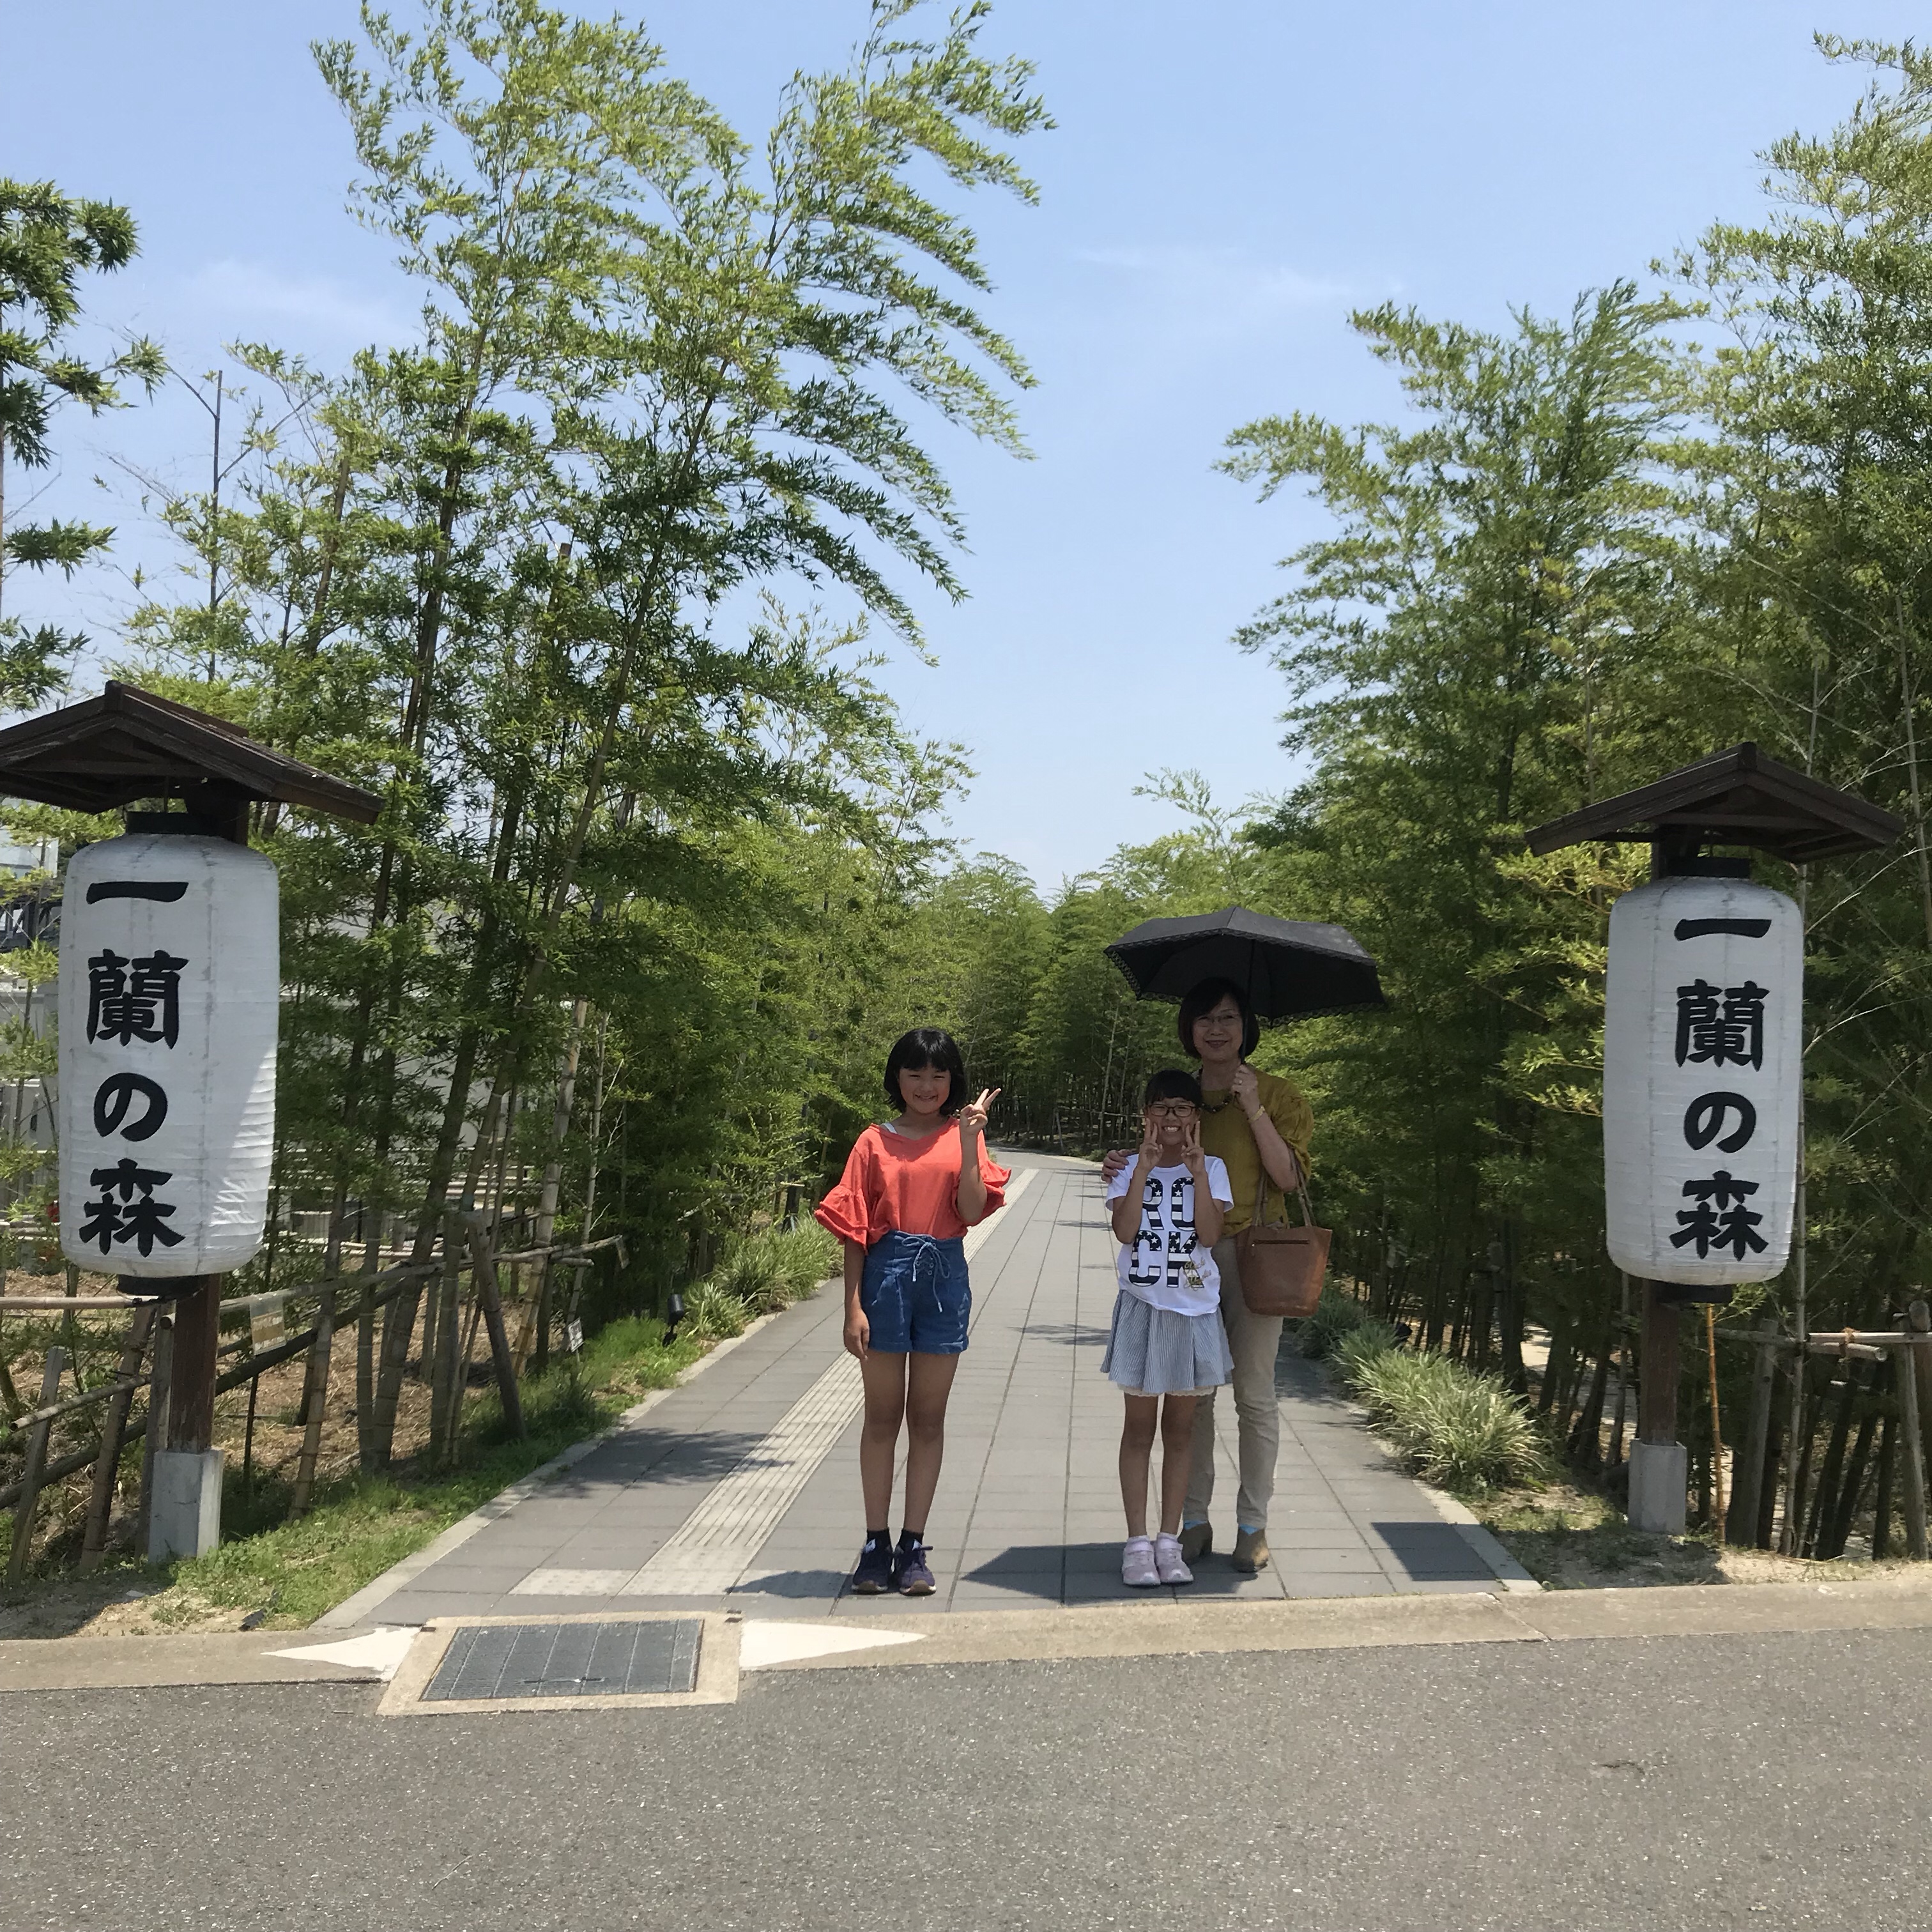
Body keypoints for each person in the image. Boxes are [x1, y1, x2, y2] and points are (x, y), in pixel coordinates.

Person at [1101, 977, 1312, 1575]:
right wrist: (1120, 1161)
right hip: (1186, 1262)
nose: (1217, 1030)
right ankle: (1190, 1522)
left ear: (1247, 1027)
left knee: (1255, 1394)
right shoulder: (1182, 1095)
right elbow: (1154, 1158)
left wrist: (1253, 1106)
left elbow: (1289, 1177)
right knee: (1191, 1397)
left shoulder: (1278, 1093)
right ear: (1189, 1030)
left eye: (1228, 1018)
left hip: (1253, 1253)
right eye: (1204, 1019)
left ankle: (1253, 1524)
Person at [815, 1027, 1006, 1596]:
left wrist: (970, 1144)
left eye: (939, 1075)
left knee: (928, 1419)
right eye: (915, 1073)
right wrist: (852, 1306)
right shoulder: (872, 1141)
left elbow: (971, 1210)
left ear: (954, 1080)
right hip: (886, 1274)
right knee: (881, 1417)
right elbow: (855, 1230)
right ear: (896, 1078)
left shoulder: (964, 1135)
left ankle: (913, 1545)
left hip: (944, 1277)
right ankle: (875, 1544)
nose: (927, 1086)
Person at [1103, 1069, 1234, 1586]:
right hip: (1143, 1306)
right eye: (1161, 1107)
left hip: (1193, 1311)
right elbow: (1124, 1230)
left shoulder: (1214, 1168)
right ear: (1146, 1115)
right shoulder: (1127, 1167)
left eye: (1182, 1108)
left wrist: (1198, 1174)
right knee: (1138, 1430)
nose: (1172, 1118)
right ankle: (1136, 1543)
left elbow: (1210, 1233)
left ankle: (1168, 1541)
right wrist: (1142, 1169)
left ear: (1196, 1116)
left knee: (1180, 1432)